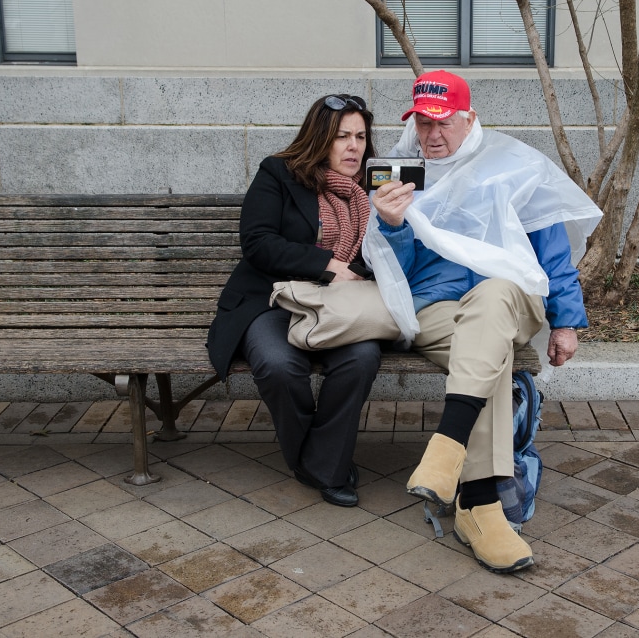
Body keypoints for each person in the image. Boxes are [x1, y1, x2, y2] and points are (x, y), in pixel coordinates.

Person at [364, 71, 602, 572]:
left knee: (492, 297)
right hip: (435, 310)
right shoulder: (402, 175)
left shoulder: (512, 167)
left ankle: (448, 448)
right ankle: (478, 509)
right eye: (422, 123)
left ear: (469, 118)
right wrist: (390, 226)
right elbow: (394, 275)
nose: (432, 135)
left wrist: (566, 322)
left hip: (511, 299)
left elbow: (552, 254)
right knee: (486, 357)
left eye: (443, 122)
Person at [207, 94, 381, 508]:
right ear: (320, 138)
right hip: (271, 299)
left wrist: (391, 222)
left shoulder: (376, 186)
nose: (353, 146)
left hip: (344, 304)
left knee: (361, 359)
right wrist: (328, 264)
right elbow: (258, 242)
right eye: (342, 137)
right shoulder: (279, 174)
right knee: (279, 366)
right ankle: (322, 461)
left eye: (360, 136)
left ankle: (321, 463)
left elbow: (386, 253)